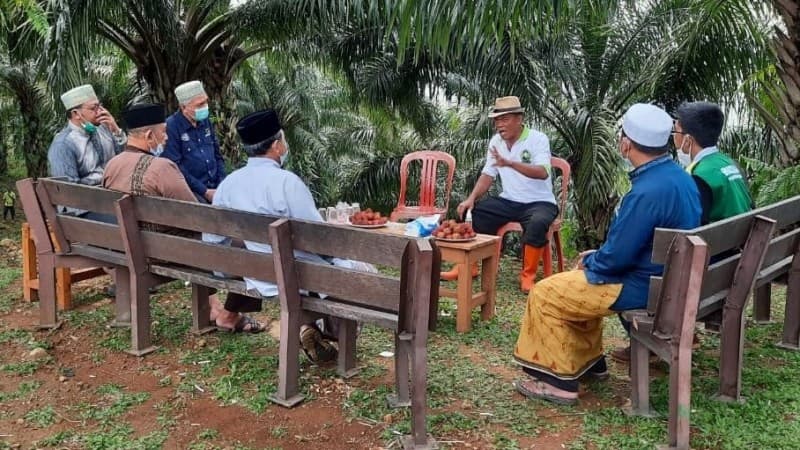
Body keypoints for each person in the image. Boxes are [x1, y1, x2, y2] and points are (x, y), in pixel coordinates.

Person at [512, 103, 701, 405]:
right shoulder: (679, 178)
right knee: (573, 283)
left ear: (626, 144)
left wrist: (594, 259)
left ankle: (559, 383)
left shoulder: (645, 192)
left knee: (546, 292)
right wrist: (600, 255)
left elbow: (616, 260)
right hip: (664, 280)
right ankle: (589, 364)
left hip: (641, 286)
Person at [103, 103, 265, 334]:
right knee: (249, 246)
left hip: (130, 245)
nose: (167, 138)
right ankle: (229, 315)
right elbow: (196, 216)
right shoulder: (162, 168)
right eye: (163, 132)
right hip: (169, 252)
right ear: (149, 135)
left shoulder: (112, 165)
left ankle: (216, 308)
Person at [204, 109, 341, 363]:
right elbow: (319, 240)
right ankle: (330, 334)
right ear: (277, 146)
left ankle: (310, 328)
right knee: (352, 268)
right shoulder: (287, 183)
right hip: (292, 274)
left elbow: (213, 240)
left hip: (253, 271)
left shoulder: (228, 185)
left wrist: (227, 267)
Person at [447, 96, 558, 293]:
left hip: (540, 202)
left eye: (504, 119)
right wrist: (471, 198)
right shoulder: (496, 142)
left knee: (537, 223)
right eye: (497, 120)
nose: (499, 125)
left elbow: (542, 172)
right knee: (473, 212)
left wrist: (510, 163)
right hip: (509, 200)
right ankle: (470, 266)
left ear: (519, 119)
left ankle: (528, 276)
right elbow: (488, 174)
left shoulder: (538, 139)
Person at [48, 84, 126, 220]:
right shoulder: (64, 144)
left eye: (99, 106)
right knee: (127, 222)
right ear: (76, 114)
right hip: (84, 209)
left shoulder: (104, 129)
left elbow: (126, 160)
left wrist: (116, 130)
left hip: (115, 198)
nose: (100, 111)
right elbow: (69, 191)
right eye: (93, 108)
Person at [674, 101, 753, 225]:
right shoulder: (730, 163)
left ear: (688, 140)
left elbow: (693, 225)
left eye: (676, 132)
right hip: (742, 240)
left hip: (721, 243)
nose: (674, 137)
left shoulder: (698, 176)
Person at [163, 80, 226, 203]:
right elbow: (176, 168)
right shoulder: (172, 127)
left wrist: (222, 183)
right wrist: (204, 191)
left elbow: (217, 155)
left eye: (206, 102)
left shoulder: (205, 120)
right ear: (183, 107)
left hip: (217, 186)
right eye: (199, 104)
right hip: (193, 192)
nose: (205, 107)